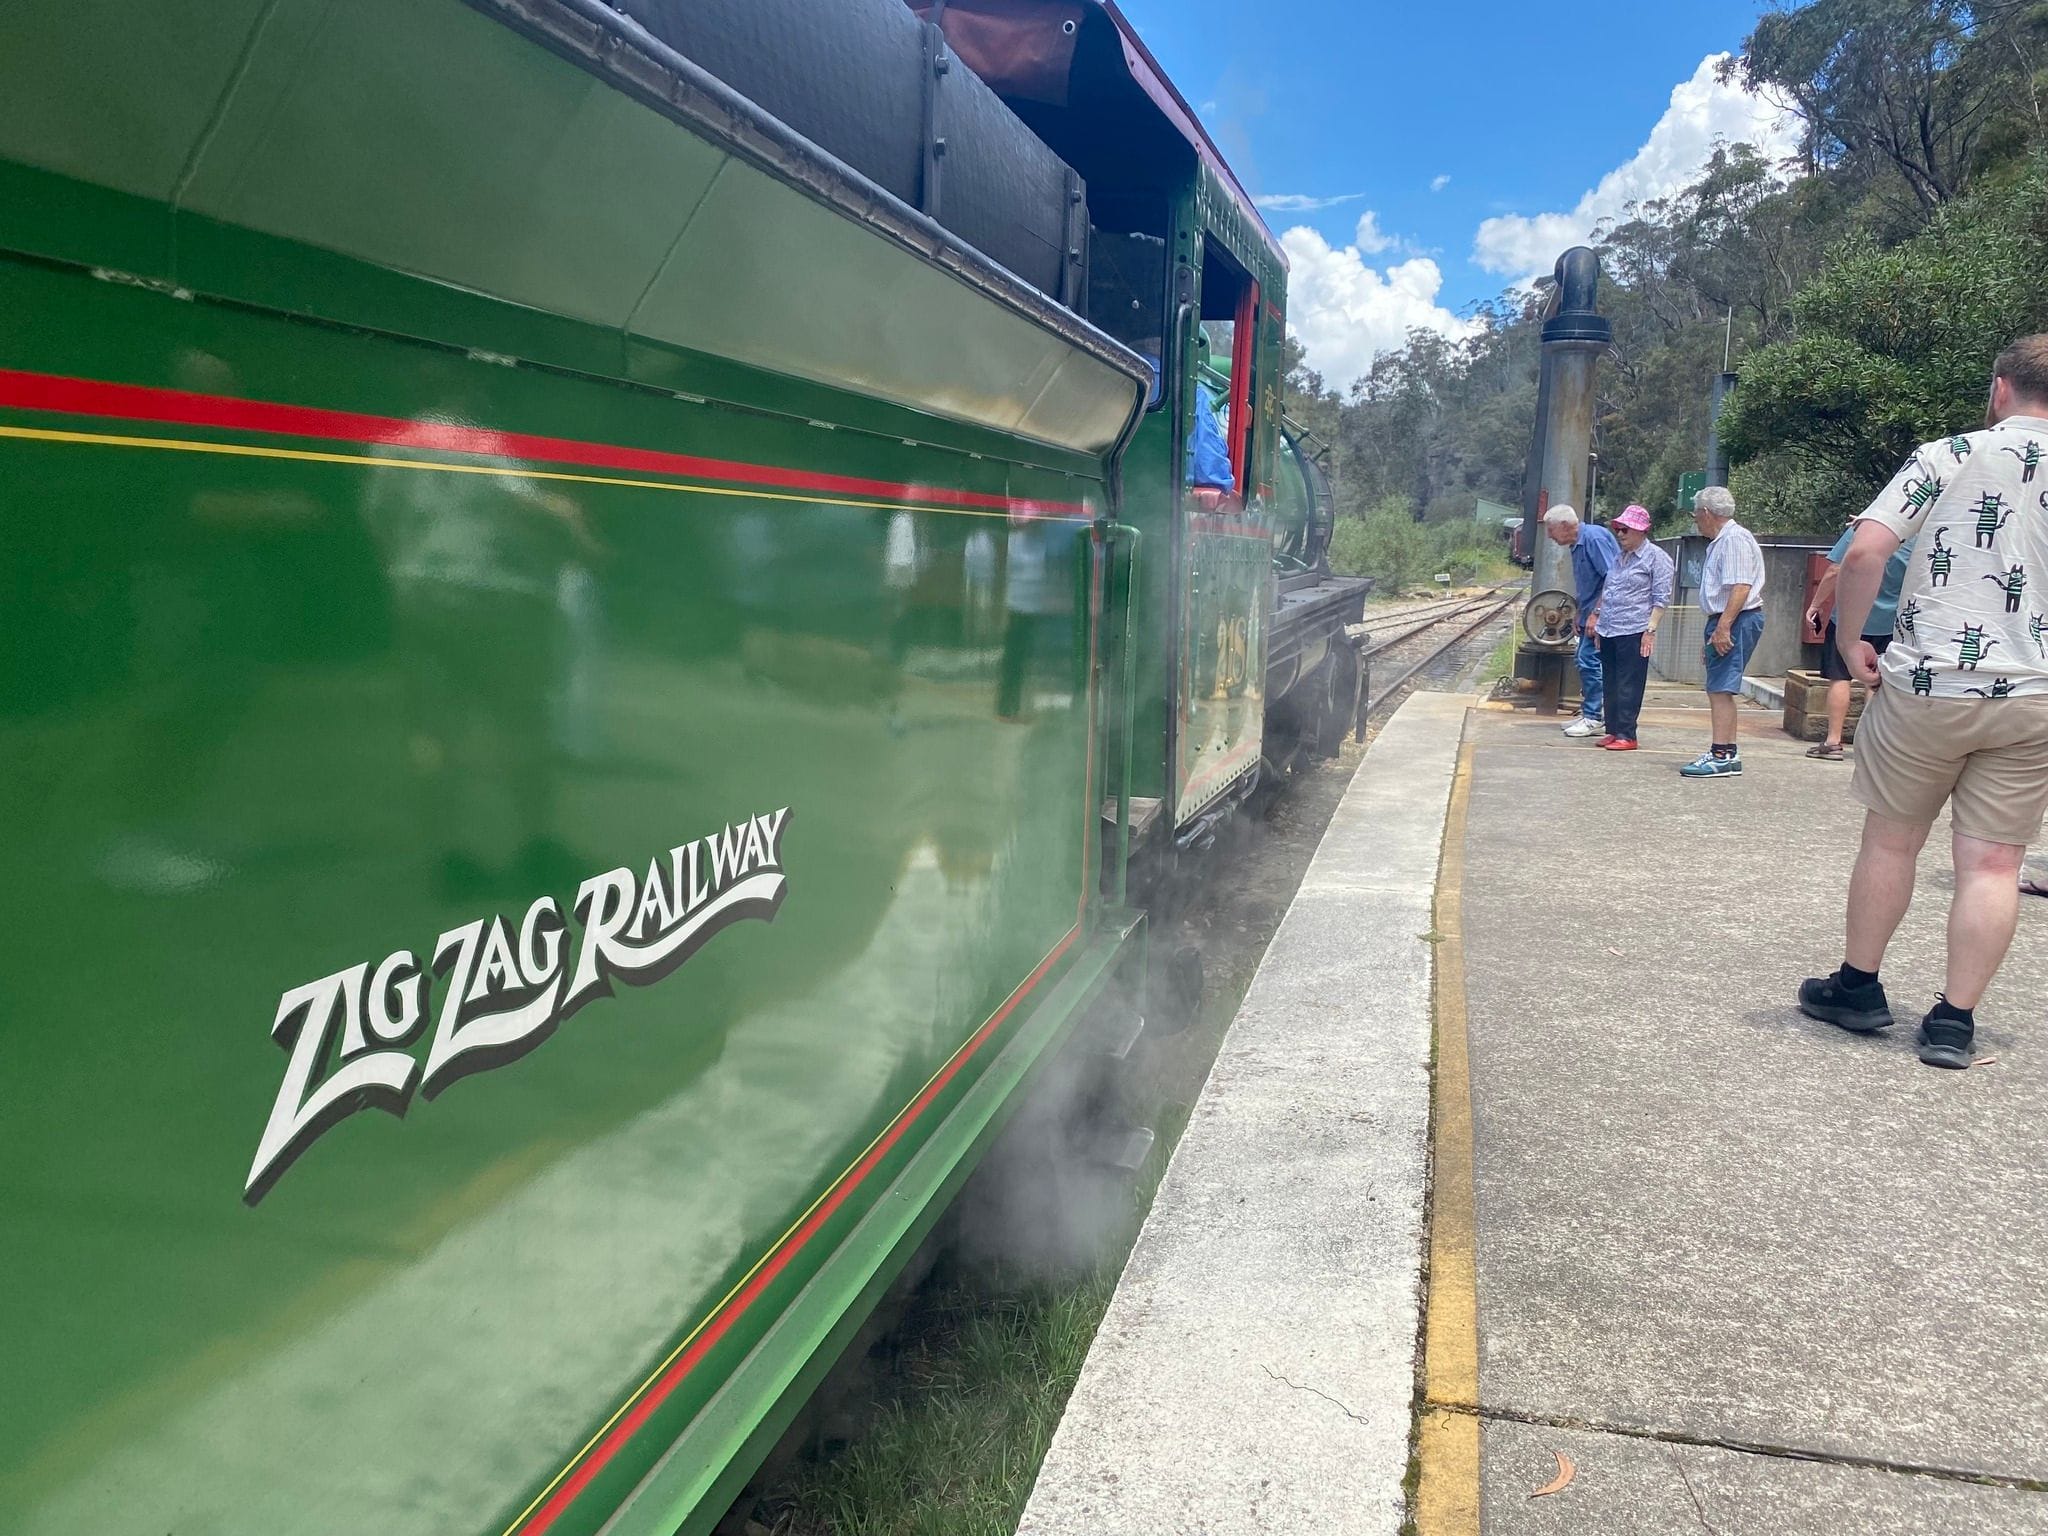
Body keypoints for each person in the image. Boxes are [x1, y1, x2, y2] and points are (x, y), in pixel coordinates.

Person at [1798, 334, 2048, 1068]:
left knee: (1892, 839)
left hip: (1930, 681)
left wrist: (1850, 642)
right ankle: (1952, 1024)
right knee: (1995, 865)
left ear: (2001, 387)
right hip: (2034, 691)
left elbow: (1868, 548)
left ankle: (1859, 988)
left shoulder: (1948, 453)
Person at [1803, 524, 1914, 760]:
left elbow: (1835, 570)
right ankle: (1870, 742)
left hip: (1849, 619)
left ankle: (1833, 741)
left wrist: (1816, 604)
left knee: (1839, 677)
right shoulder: (1914, 537)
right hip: (1889, 621)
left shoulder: (1862, 531)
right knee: (1876, 681)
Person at [1679, 484, 1767, 778]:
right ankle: (1728, 751)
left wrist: (1723, 627)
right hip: (1729, 618)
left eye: (1696, 515)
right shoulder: (1725, 540)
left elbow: (1740, 587)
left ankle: (1720, 754)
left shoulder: (1733, 540)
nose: (1696, 521)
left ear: (1706, 513)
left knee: (1719, 689)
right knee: (1722, 686)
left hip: (1734, 618)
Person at [1583, 504, 1673, 751]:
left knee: (1629, 683)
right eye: (1617, 529)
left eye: (1625, 529)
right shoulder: (1618, 558)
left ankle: (1627, 733)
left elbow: (1661, 598)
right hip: (1610, 628)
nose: (1620, 534)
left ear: (1641, 531)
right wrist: (1599, 619)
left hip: (1634, 629)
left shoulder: (1656, 558)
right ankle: (1613, 729)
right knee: (1610, 680)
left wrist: (1650, 631)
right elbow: (1608, 590)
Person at [1543, 504, 1619, 739]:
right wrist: (1580, 611)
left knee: (1589, 661)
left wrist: (1596, 614)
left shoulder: (1594, 539)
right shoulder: (1577, 545)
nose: (1549, 536)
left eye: (1551, 529)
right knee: (1585, 660)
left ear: (1565, 526)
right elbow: (1590, 583)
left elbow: (1612, 578)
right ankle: (1593, 713)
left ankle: (1595, 716)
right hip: (1590, 611)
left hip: (1605, 614)